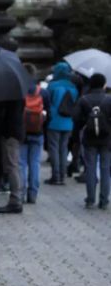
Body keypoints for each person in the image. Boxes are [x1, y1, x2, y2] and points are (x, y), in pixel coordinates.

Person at [74, 73, 111, 209]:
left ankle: (90, 199)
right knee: (105, 169)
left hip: (89, 138)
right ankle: (104, 200)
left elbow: (76, 118)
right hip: (107, 139)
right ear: (103, 84)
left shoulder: (84, 99)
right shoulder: (109, 99)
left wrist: (85, 124)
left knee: (90, 168)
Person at [45, 61, 79, 185]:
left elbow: (47, 102)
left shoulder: (52, 85)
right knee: (64, 148)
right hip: (68, 122)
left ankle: (56, 176)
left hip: (54, 121)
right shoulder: (73, 87)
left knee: (53, 148)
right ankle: (63, 175)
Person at [0, 97, 26, 214]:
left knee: (12, 166)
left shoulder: (10, 98)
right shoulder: (19, 96)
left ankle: (15, 200)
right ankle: (17, 197)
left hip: (10, 133)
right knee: (14, 165)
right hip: (16, 132)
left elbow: (5, 116)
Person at [20, 64, 45, 204]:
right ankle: (33, 195)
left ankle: (21, 193)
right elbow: (48, 112)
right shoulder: (42, 92)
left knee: (22, 163)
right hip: (38, 131)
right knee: (35, 163)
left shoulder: (19, 90)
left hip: (22, 132)